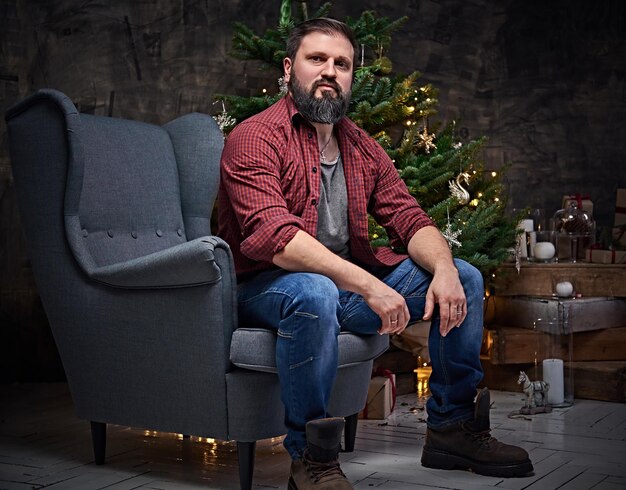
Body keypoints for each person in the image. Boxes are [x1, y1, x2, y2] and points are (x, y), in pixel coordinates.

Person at [218, 17, 533, 490]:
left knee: (464, 276)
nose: (330, 71)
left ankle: (450, 429)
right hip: (269, 287)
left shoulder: (360, 146)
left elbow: (410, 218)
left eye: (341, 64)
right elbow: (276, 239)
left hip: (344, 290)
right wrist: (370, 286)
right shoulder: (255, 137)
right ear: (288, 69)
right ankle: (312, 459)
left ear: (350, 78)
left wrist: (444, 267)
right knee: (313, 289)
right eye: (317, 59)